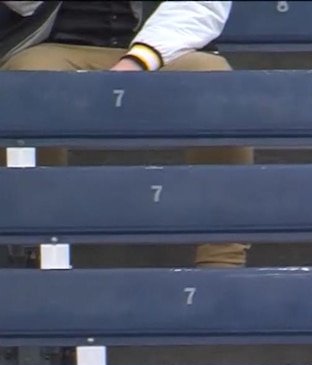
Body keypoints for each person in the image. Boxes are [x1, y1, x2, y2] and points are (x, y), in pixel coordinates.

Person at [0, 0, 251, 268]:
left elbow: (200, 6)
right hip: (52, 46)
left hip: (162, 46)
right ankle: (37, 250)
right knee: (27, 81)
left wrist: (139, 59)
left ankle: (221, 263)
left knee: (217, 84)